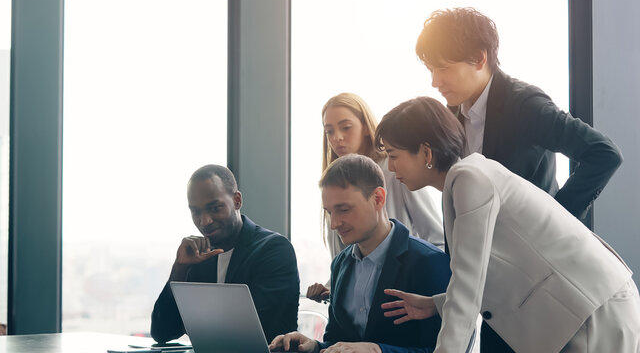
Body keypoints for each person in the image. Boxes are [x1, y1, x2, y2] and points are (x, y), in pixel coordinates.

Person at [415, 8, 623, 351]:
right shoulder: (452, 118)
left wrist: (557, 220)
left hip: (547, 286)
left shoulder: (524, 104)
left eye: (443, 68)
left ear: (479, 58)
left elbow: (603, 154)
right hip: (498, 287)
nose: (435, 81)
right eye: (430, 70)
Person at [375, 97, 639, 353]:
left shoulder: (469, 179)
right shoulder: (467, 179)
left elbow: (468, 284)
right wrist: (436, 304)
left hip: (592, 311)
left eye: (394, 155)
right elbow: (488, 273)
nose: (390, 166)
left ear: (425, 152)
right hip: (580, 311)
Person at [270, 154, 451, 353]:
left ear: (378, 199)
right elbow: (340, 344)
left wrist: (377, 350)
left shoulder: (428, 262)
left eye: (344, 209)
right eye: (330, 212)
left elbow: (448, 349)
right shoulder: (340, 264)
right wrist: (314, 346)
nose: (334, 224)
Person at [306, 92, 444, 302]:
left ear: (365, 126)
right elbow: (350, 259)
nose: (337, 138)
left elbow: (437, 240)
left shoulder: (395, 171)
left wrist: (423, 293)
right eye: (329, 131)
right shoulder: (333, 185)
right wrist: (332, 286)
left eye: (346, 127)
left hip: (401, 296)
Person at [150, 165, 300, 343]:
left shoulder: (274, 249)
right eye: (196, 211)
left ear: (237, 201)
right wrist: (180, 269)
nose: (204, 221)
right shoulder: (200, 257)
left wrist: (195, 322)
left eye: (214, 208)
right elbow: (162, 332)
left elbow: (257, 331)